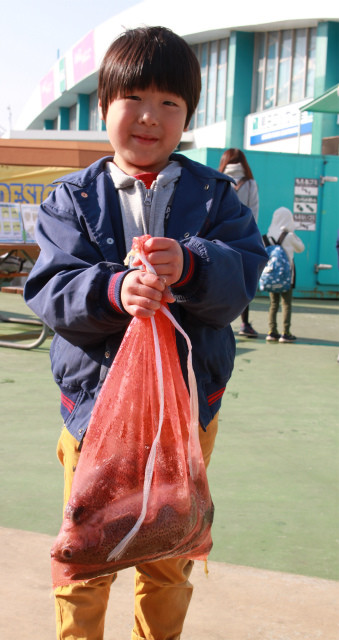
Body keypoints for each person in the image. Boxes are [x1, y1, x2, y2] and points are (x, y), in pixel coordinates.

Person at [24, 26, 267, 640]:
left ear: (188, 116)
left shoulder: (217, 199)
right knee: (87, 553)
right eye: (134, 98)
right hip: (95, 414)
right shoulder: (72, 199)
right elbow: (50, 289)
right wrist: (112, 290)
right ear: (103, 105)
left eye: (170, 104)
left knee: (168, 552)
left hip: (188, 414)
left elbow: (242, 280)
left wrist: (192, 264)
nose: (150, 117)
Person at [218, 148, 260, 338]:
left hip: (216, 242)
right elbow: (254, 213)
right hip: (241, 242)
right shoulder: (250, 183)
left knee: (216, 282)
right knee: (243, 284)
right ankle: (244, 324)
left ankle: (216, 322)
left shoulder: (217, 180)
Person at [264, 206, 305, 343]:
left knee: (273, 303)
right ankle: (285, 332)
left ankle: (272, 331)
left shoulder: (268, 235)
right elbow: (301, 248)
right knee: (286, 303)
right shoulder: (289, 236)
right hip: (287, 275)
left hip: (272, 275)